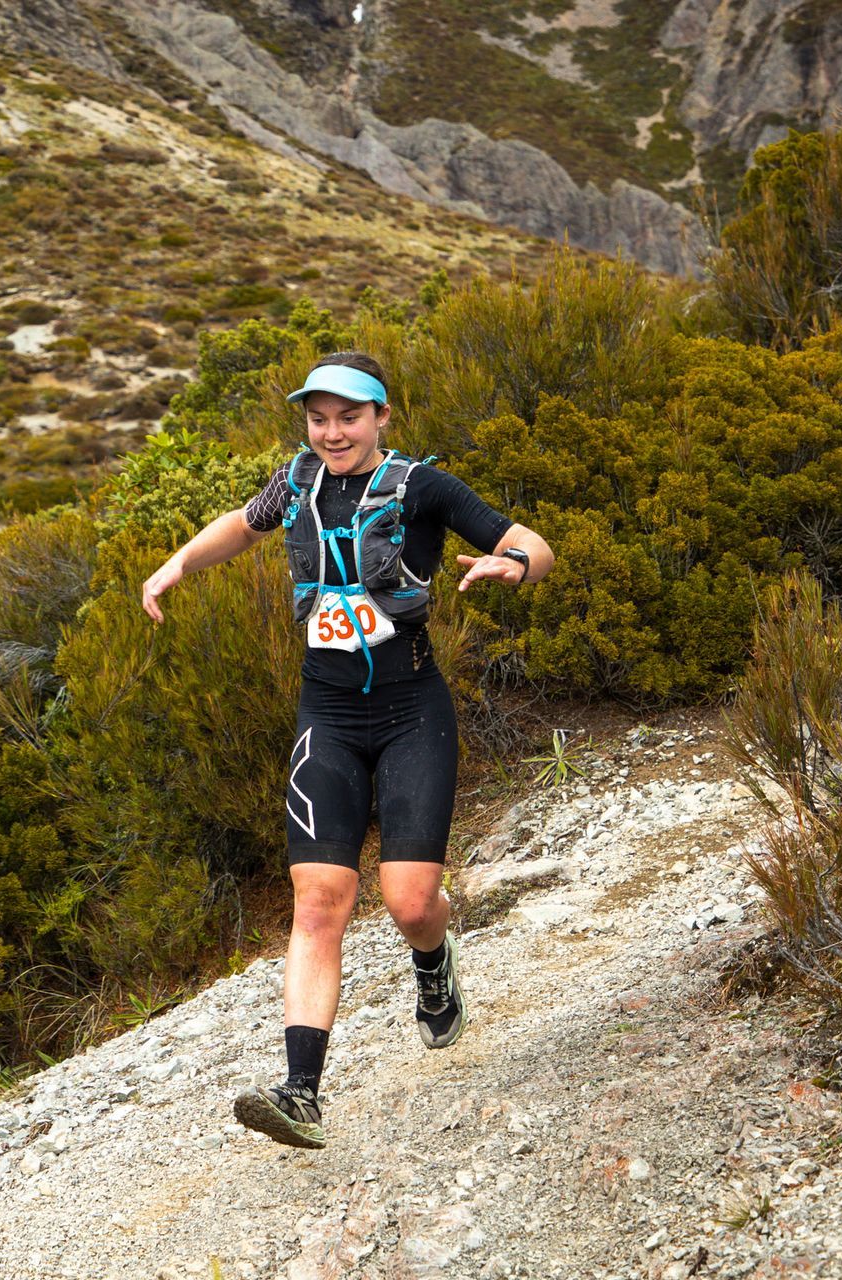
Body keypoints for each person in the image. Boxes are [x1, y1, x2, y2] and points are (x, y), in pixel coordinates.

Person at [139, 351, 554, 1149]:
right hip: (325, 712)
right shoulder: (295, 481)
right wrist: (178, 564)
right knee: (319, 900)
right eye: (318, 417)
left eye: (349, 416)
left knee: (407, 901)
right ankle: (300, 1093)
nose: (332, 432)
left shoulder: (421, 485)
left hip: (411, 712)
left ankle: (432, 963)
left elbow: (530, 541)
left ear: (382, 417)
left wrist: (514, 564)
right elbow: (243, 523)